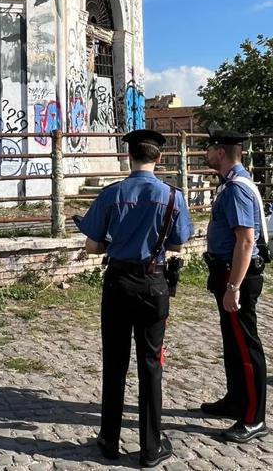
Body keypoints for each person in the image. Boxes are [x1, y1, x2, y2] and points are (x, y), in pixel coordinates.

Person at [77, 129, 192, 467]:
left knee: (114, 363)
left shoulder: (112, 194)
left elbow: (92, 245)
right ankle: (150, 448)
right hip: (153, 284)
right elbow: (177, 244)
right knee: (151, 365)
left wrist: (115, 244)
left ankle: (108, 439)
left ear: (129, 157)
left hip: (117, 283)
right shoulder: (173, 197)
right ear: (159, 158)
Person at [201, 130, 269, 443]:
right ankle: (235, 400)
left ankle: (254, 417)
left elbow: (246, 241)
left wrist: (233, 286)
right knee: (232, 341)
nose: (206, 154)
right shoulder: (231, 183)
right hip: (227, 273)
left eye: (209, 149)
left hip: (236, 275)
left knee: (245, 346)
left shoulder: (236, 189)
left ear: (221, 152)